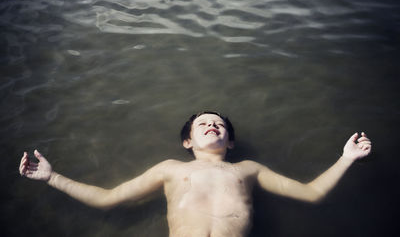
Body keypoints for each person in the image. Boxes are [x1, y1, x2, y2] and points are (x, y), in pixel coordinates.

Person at [19, 111, 372, 237]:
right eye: (203, 123)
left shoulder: (248, 169)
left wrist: (346, 158)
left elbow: (311, 194)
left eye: (219, 124)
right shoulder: (171, 169)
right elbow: (109, 199)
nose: (212, 125)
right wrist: (52, 178)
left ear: (230, 142)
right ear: (188, 141)